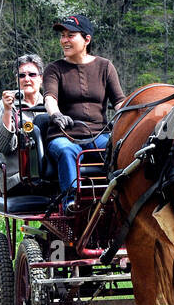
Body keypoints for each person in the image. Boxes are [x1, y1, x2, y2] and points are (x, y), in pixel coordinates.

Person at [43, 15, 125, 204]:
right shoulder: (54, 69)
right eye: (62, 36)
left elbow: (120, 101)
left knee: (120, 150)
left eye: (70, 35)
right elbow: (50, 98)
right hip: (63, 135)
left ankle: (118, 202)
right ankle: (71, 202)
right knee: (66, 150)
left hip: (98, 135)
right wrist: (55, 114)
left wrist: (127, 119)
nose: (64, 40)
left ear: (87, 39)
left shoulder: (105, 67)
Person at [0, 53, 48, 189]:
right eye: (22, 75)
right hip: (17, 178)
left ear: (41, 78)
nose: (27, 79)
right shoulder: (4, 105)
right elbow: (2, 147)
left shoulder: (50, 104)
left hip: (48, 175)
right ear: (17, 80)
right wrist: (8, 110)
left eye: (32, 75)